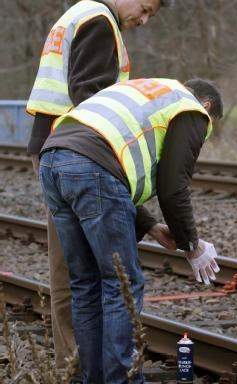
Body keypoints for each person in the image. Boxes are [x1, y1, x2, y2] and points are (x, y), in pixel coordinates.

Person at [26, 0, 173, 373]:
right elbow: (91, 99)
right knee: (80, 275)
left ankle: (78, 366)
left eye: (148, 17)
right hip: (73, 150)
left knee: (76, 272)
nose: (142, 21)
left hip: (56, 149)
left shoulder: (78, 14)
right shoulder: (98, 21)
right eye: (143, 10)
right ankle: (78, 368)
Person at [39, 77, 223, 383]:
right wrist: (192, 246)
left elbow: (108, 162)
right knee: (122, 282)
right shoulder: (192, 109)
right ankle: (122, 379)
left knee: (85, 282)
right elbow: (173, 186)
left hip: (53, 159)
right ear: (207, 106)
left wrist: (150, 226)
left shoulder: (150, 91)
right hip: (90, 166)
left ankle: (91, 378)